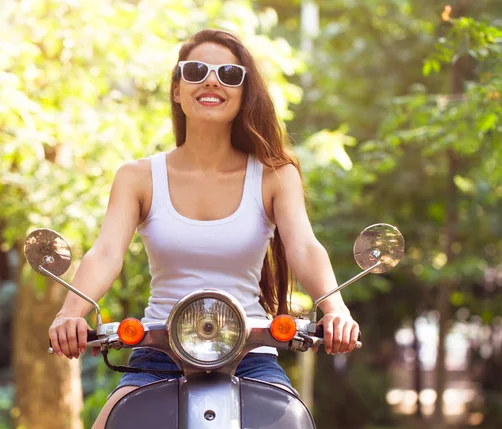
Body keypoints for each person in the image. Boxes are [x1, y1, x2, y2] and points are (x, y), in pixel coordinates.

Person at [48, 29, 360, 429]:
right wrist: (70, 313)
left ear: (244, 93)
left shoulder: (275, 176)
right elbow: (107, 252)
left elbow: (304, 247)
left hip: (251, 354)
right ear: (177, 90)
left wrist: (335, 309)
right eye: (196, 71)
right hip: (158, 353)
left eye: (229, 74)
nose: (212, 80)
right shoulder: (137, 177)